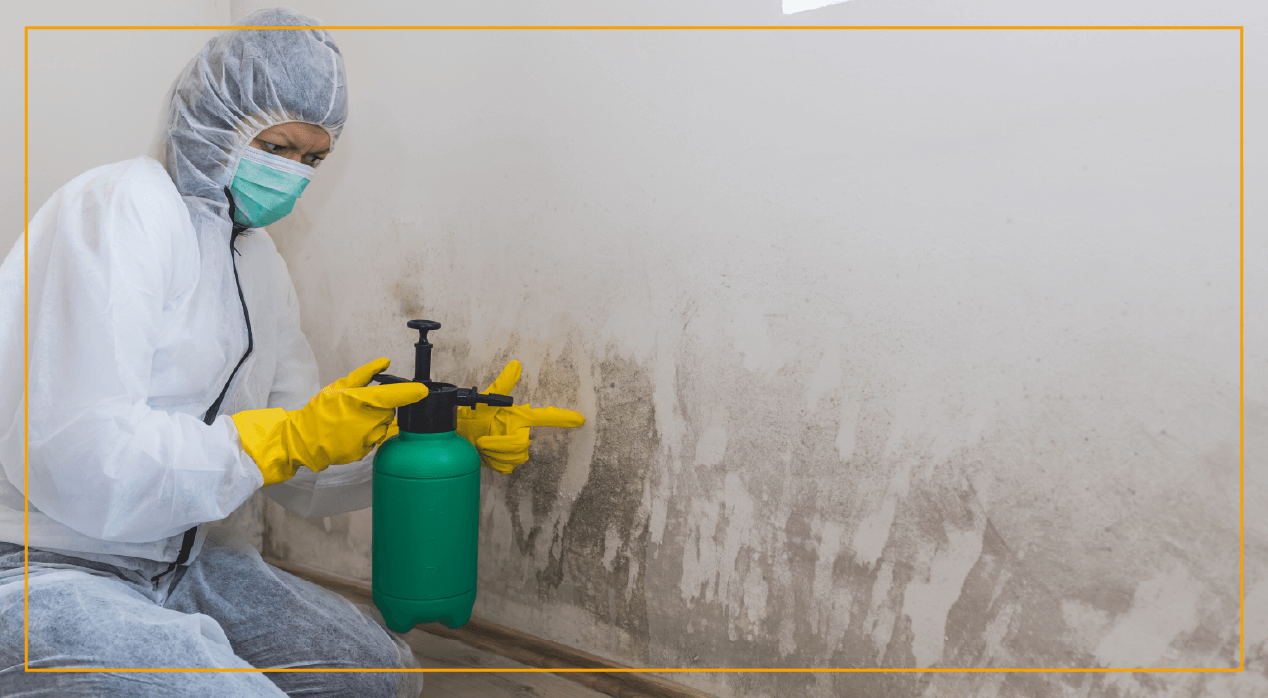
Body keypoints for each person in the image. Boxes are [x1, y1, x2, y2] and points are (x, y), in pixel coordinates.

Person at [0, 8, 584, 697]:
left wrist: (425, 436)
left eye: (313, 159)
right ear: (211, 120)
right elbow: (80, 457)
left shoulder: (257, 260)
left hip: (188, 562)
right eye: (276, 148)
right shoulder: (117, 207)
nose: (294, 175)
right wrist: (273, 440)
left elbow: (299, 467)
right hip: (48, 567)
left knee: (382, 679)